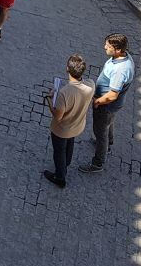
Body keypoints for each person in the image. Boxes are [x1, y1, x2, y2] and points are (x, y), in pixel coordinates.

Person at [79, 34, 136, 174]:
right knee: (108, 124)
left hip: (106, 105)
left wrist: (97, 102)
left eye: (108, 46)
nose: (105, 47)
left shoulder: (120, 70)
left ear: (117, 49)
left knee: (100, 131)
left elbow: (112, 95)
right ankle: (108, 144)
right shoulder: (123, 57)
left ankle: (98, 163)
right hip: (110, 107)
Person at [44, 54, 95, 188]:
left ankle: (60, 177)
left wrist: (49, 99)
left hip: (62, 129)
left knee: (59, 151)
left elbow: (58, 116)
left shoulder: (64, 93)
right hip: (77, 125)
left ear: (67, 69)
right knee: (70, 143)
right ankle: (66, 162)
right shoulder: (90, 84)